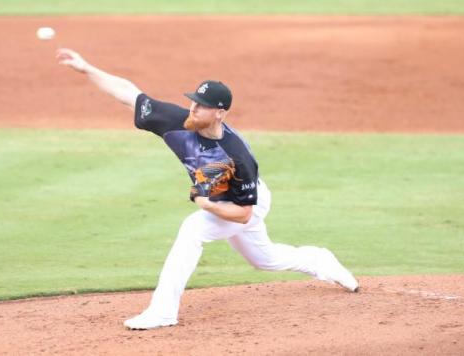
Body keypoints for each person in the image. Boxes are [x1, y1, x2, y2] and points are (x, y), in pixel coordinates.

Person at [56, 48, 359, 330]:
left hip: (245, 202)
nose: (193, 108)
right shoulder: (178, 123)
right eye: (193, 101)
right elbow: (128, 93)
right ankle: (320, 260)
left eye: (201, 105)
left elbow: (242, 214)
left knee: (192, 230)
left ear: (220, 113)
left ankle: (163, 311)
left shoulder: (237, 155)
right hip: (222, 201)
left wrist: (208, 205)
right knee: (265, 260)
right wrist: (85, 69)